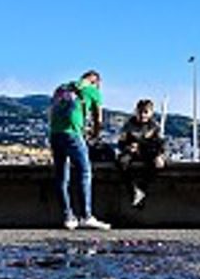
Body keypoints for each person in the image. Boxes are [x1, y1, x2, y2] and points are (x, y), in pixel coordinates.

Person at [48, 70, 110, 230]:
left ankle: (68, 217)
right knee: (85, 172)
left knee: (61, 177)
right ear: (96, 81)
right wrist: (95, 134)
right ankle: (86, 216)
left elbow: (51, 111)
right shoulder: (92, 90)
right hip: (73, 134)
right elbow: (98, 119)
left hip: (55, 133)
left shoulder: (62, 87)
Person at [115, 99, 166, 208]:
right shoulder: (129, 125)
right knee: (122, 162)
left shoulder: (154, 126)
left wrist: (159, 155)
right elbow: (121, 143)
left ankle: (142, 188)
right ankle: (133, 189)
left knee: (157, 164)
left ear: (151, 113)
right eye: (140, 112)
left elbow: (160, 144)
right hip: (132, 153)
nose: (143, 115)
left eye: (146, 112)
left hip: (148, 152)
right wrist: (128, 147)